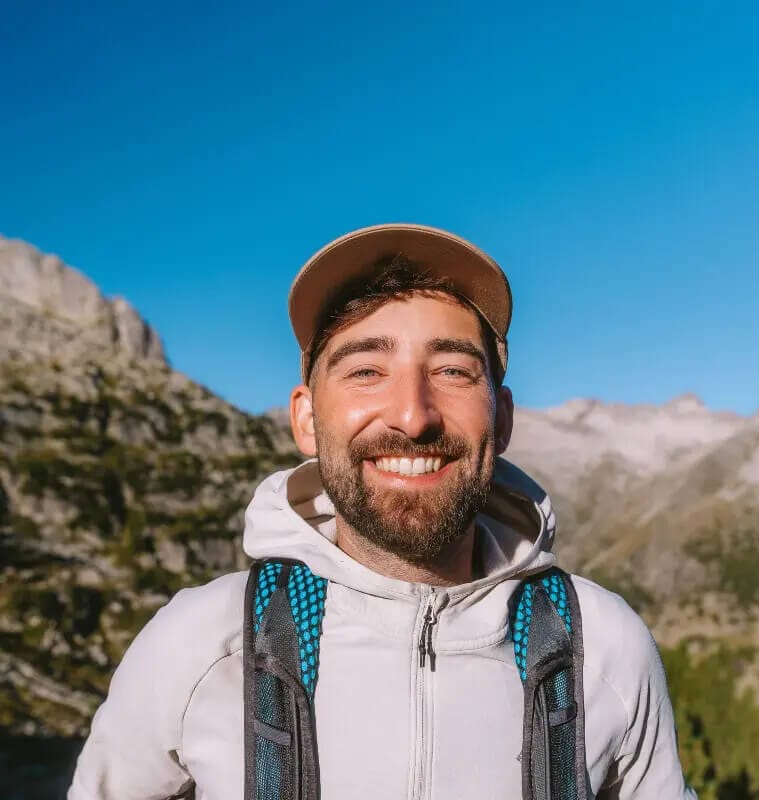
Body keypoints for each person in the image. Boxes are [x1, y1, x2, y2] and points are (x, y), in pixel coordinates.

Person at [69, 224, 695, 799]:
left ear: (501, 418)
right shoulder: (201, 643)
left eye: (451, 369)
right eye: (366, 370)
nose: (412, 415)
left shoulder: (604, 648)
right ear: (307, 420)